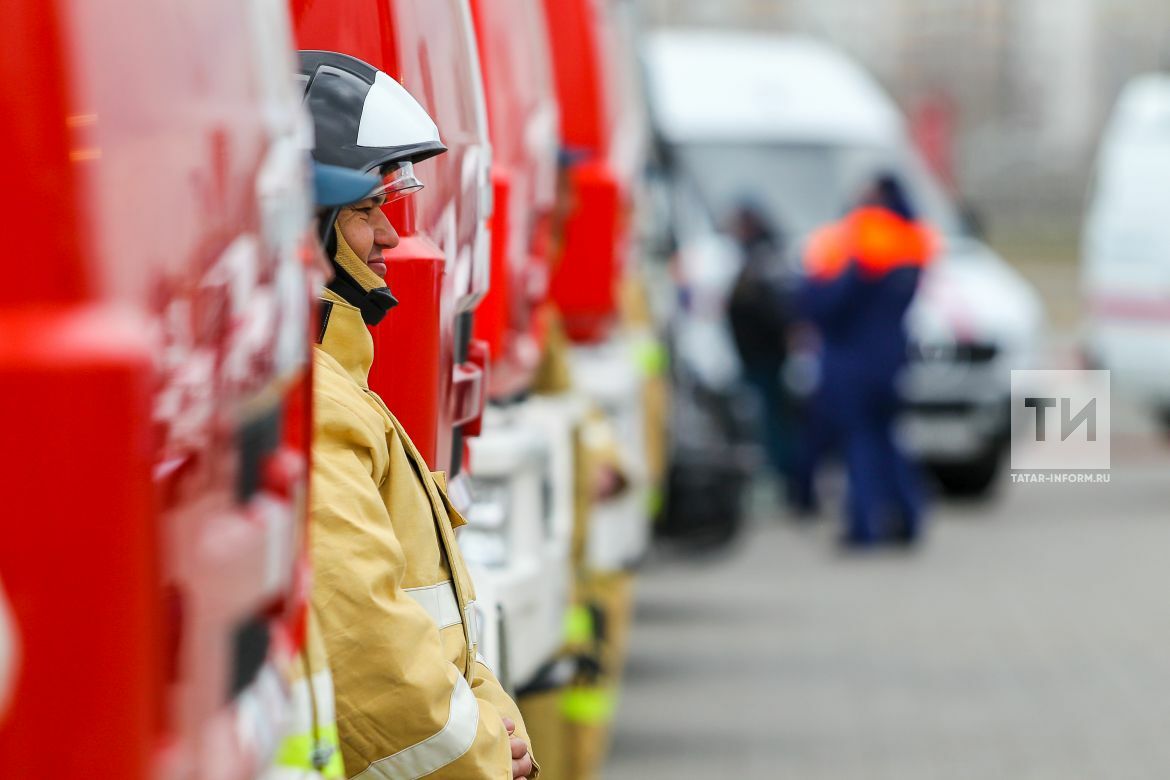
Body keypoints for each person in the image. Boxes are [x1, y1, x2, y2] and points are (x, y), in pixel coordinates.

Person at [299, 51, 536, 778]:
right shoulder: (319, 408)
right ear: (306, 228)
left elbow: (439, 633)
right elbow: (371, 652)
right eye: (368, 211)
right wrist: (488, 760)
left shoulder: (341, 389)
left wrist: (495, 729)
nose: (394, 238)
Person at [801, 174, 935, 547]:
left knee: (859, 443)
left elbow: (827, 304)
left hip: (852, 361)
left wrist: (811, 294)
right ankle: (909, 515)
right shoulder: (911, 239)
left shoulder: (861, 238)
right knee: (887, 438)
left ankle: (865, 526)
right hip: (891, 357)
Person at [725, 202, 801, 508]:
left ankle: (783, 481)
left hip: (764, 356)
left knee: (771, 423)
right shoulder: (763, 257)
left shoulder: (763, 260)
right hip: (760, 355)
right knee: (770, 420)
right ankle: (784, 480)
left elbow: (772, 312)